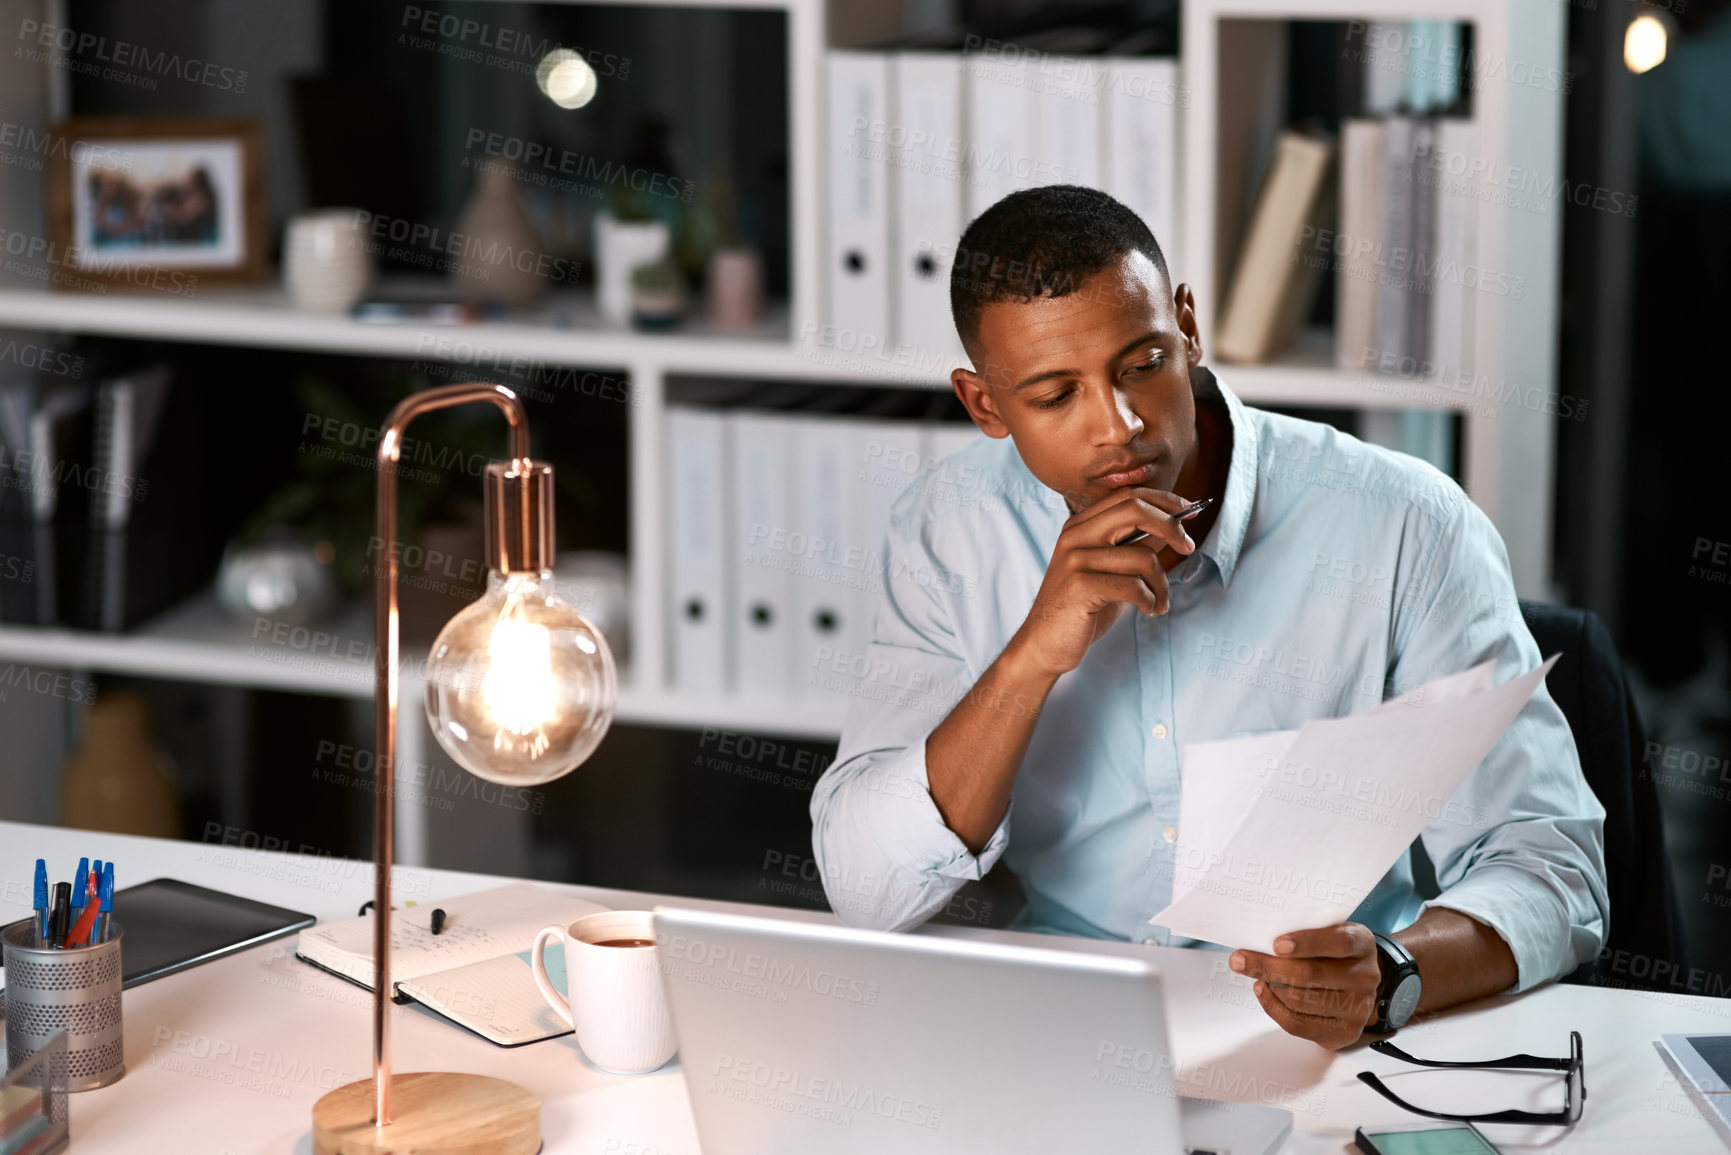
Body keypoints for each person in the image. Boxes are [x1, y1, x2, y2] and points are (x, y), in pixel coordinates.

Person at [810, 185, 1608, 1049]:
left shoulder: (1405, 523)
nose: (1116, 427)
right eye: (1054, 397)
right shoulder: (945, 528)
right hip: (1059, 1030)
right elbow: (864, 887)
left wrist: (1392, 973)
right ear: (985, 406)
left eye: (1141, 364)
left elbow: (1550, 865)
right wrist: (1031, 658)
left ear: (1186, 325)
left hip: (1326, 1044)